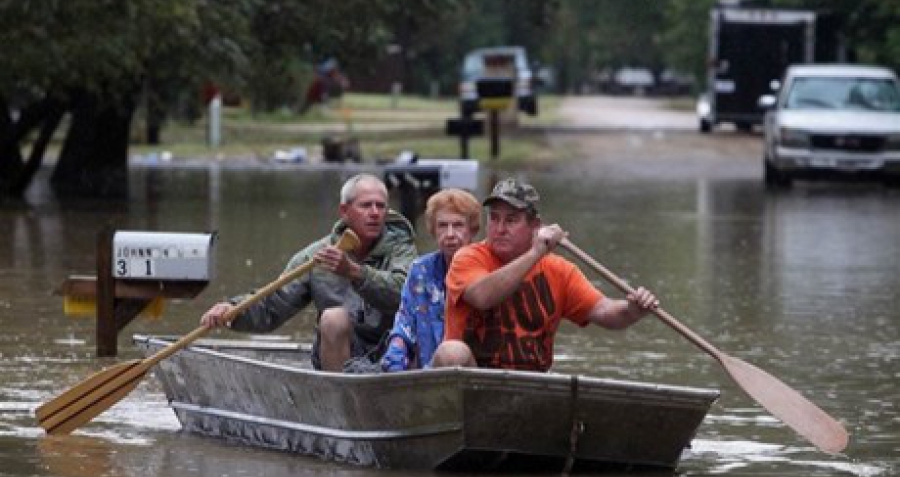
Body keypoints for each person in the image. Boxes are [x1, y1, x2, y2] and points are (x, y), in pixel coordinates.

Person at [432, 178, 659, 371]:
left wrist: (632, 310)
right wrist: (536, 252)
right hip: (473, 384)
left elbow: (604, 311)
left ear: (535, 226)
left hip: (530, 387)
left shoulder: (559, 271)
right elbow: (482, 297)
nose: (499, 229)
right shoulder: (468, 257)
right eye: (494, 218)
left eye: (511, 220)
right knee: (451, 352)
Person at [200, 173, 417, 373]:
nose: (374, 213)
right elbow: (273, 306)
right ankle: (337, 399)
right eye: (366, 206)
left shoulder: (402, 250)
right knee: (333, 317)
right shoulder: (315, 257)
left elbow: (403, 293)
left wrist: (355, 272)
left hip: (392, 351)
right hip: (340, 355)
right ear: (344, 211)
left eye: (380, 206)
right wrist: (233, 311)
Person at [380, 188, 481, 372]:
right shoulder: (420, 270)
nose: (450, 234)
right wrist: (396, 351)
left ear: (472, 230)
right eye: (442, 225)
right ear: (433, 230)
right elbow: (405, 324)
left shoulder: (486, 268)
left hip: (474, 374)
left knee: (452, 353)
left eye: (458, 225)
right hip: (427, 373)